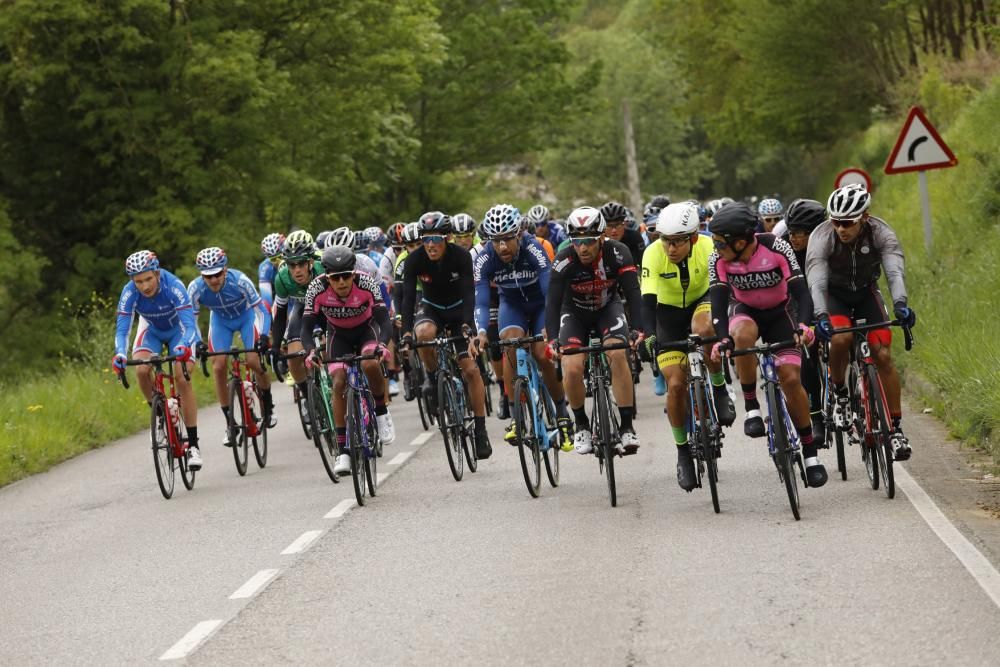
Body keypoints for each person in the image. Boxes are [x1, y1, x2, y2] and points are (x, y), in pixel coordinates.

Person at [707, 203, 827, 487]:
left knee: (790, 379)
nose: (716, 247)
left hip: (781, 313)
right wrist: (723, 338)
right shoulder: (719, 260)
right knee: (742, 336)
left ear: (740, 241)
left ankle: (810, 455)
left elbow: (802, 291)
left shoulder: (776, 247)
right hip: (744, 311)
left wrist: (803, 325)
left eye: (720, 242)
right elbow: (718, 301)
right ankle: (752, 407)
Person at [806, 184, 914, 461]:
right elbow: (817, 281)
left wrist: (901, 304)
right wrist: (820, 315)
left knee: (883, 355)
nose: (841, 228)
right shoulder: (822, 236)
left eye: (847, 222)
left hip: (867, 292)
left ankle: (896, 430)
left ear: (864, 217)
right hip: (835, 296)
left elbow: (894, 271)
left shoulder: (881, 233)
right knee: (840, 338)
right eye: (836, 221)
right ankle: (841, 394)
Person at [641, 204, 735, 490]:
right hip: (667, 314)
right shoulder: (653, 253)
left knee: (704, 329)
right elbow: (647, 301)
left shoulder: (708, 247)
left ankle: (718, 388)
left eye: (676, 241)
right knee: (676, 385)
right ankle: (682, 452)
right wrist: (648, 335)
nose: (669, 248)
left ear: (693, 238)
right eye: (664, 240)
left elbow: (722, 287)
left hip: (702, 300)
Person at [545, 206, 646, 455]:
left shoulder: (618, 253)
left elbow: (633, 294)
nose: (583, 248)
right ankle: (581, 425)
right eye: (577, 242)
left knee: (618, 353)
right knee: (572, 365)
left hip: (606, 309)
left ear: (602, 237)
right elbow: (553, 302)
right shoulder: (563, 259)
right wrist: (552, 338)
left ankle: (626, 427)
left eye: (589, 241)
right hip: (574, 313)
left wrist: (639, 329)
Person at [473, 204, 571, 450]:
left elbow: (550, 290)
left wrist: (550, 325)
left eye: (507, 239)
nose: (502, 247)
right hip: (512, 305)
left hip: (539, 305)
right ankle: (517, 417)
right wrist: (482, 332)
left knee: (541, 354)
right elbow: (482, 300)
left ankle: (561, 410)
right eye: (496, 241)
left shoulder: (533, 248)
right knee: (509, 345)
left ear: (518, 233)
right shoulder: (485, 257)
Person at [400, 211, 492, 459]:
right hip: (432, 309)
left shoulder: (461, 256)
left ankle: (481, 430)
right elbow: (408, 299)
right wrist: (406, 332)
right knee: (423, 334)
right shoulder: (414, 260)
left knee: (471, 370)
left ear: (448, 238)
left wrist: (467, 325)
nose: (431, 244)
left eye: (437, 239)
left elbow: (469, 293)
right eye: (426, 239)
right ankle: (432, 377)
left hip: (459, 310)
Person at [301, 246, 395, 475]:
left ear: (353, 274)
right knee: (339, 381)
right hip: (337, 335)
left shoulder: (366, 283)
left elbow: (384, 320)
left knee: (370, 363)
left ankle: (381, 412)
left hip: (367, 330)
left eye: (346, 276)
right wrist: (311, 351)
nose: (341, 282)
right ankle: (343, 450)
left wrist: (383, 345)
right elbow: (305, 328)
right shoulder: (317, 288)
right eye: (336, 278)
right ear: (327, 277)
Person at [113, 251, 202, 470]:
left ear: (157, 273)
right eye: (138, 282)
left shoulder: (174, 286)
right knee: (142, 370)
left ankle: (193, 445)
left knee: (182, 379)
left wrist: (183, 346)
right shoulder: (129, 292)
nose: (144, 286)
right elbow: (123, 329)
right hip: (151, 330)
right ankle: (160, 415)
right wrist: (120, 354)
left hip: (179, 332)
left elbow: (190, 326)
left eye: (148, 279)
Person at [188, 247, 275, 444]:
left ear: (225, 269)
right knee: (218, 366)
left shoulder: (240, 281)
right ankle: (230, 423)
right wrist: (198, 343)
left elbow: (262, 310)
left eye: (217, 274)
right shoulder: (195, 288)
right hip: (220, 322)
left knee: (252, 361)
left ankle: (268, 404)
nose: (213, 280)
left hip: (246, 318)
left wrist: (262, 335)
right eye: (207, 276)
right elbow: (189, 319)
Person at [269, 230, 324, 429]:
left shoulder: (323, 268)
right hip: (302, 310)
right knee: (293, 357)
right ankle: (308, 398)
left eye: (301, 264)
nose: (297, 270)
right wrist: (275, 347)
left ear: (311, 261)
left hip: (327, 308)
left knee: (329, 350)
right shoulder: (283, 278)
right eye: (292, 265)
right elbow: (281, 314)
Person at [783, 198, 828, 442]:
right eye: (791, 232)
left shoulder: (830, 241)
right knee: (807, 353)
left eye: (799, 233)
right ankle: (817, 417)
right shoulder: (784, 247)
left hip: (829, 294)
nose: (793, 238)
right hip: (800, 299)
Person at [600, 201, 646, 268]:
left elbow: (643, 264)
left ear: (624, 224)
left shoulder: (635, 237)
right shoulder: (598, 240)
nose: (614, 230)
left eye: (617, 225)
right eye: (609, 226)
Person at [258, 233, 285, 311]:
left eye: (280, 257)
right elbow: (266, 299)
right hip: (275, 293)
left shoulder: (292, 262)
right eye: (273, 259)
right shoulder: (265, 267)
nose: (278, 262)